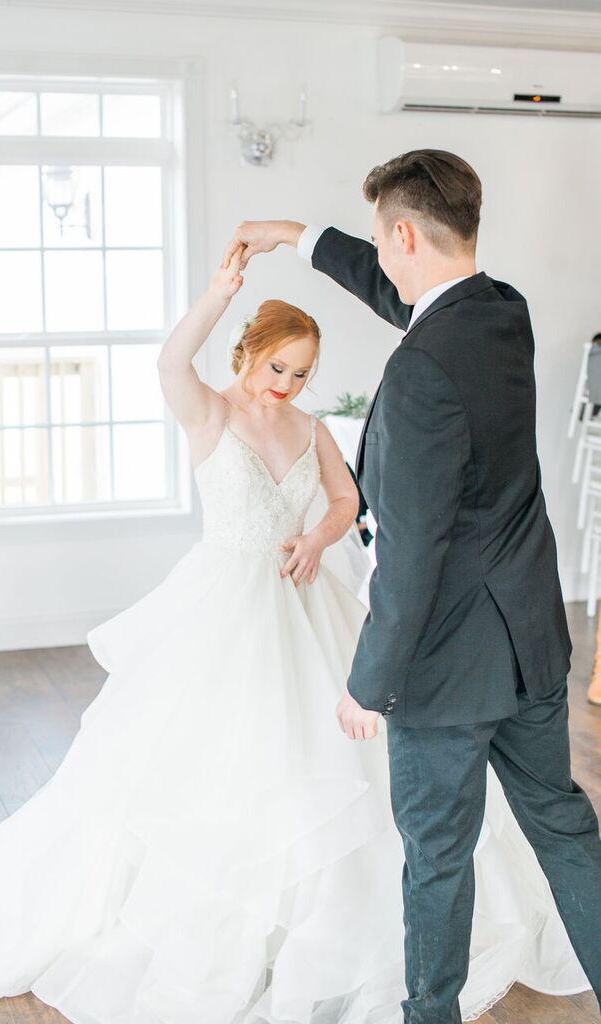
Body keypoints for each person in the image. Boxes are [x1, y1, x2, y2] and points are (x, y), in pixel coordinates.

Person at [0, 245, 592, 1024]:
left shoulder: (309, 429)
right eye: (279, 367)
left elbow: (348, 504)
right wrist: (216, 293)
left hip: (302, 606)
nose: (289, 385)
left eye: (303, 372)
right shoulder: (212, 412)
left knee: (336, 768)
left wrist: (316, 539)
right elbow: (171, 363)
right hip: (223, 607)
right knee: (212, 764)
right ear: (250, 354)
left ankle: (341, 935)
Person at [224, 147, 601, 1024]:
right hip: (533, 644)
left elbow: (417, 549)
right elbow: (408, 297)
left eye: (376, 239)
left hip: (445, 669)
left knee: (436, 854)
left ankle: (427, 1015)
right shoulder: (502, 313)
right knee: (564, 828)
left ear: (401, 234)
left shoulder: (425, 371)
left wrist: (369, 681)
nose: (378, 256)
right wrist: (299, 237)